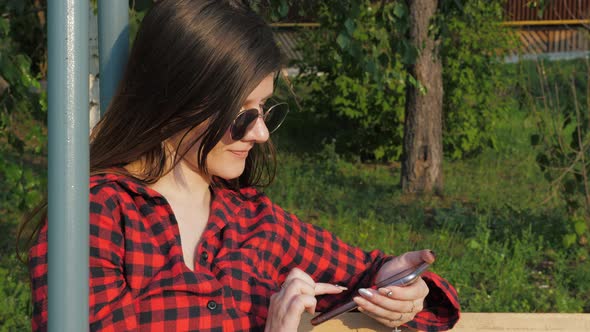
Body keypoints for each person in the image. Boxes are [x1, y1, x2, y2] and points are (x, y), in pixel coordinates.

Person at [28, 0, 460, 331]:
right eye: (241, 114)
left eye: (264, 109)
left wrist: (405, 289)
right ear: (179, 100)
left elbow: (371, 277)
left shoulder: (253, 219)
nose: (261, 133)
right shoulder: (95, 215)